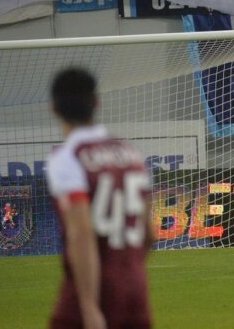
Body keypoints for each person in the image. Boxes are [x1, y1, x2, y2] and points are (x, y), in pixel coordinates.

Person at [46, 68, 153, 329]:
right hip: (135, 291)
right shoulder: (131, 154)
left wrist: (89, 306)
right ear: (97, 103)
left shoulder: (68, 158)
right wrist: (128, 270)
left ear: (54, 108)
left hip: (95, 290)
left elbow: (81, 232)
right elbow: (148, 232)